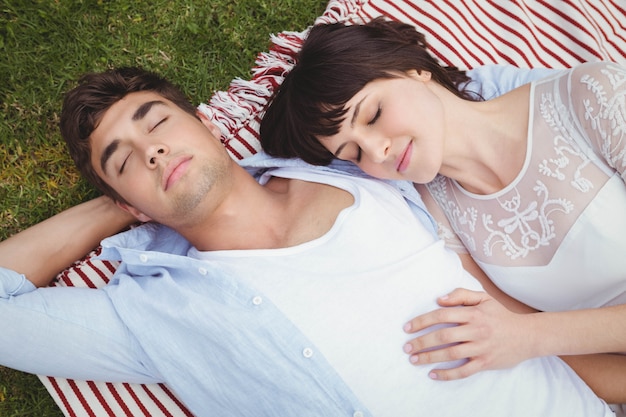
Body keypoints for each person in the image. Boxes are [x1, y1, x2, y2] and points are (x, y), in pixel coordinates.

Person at [0, 67, 615, 417]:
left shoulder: (357, 169)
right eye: (123, 160)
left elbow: (468, 107)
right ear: (128, 201)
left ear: (209, 126)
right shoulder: (151, 313)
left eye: (156, 122)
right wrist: (107, 214)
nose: (151, 148)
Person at [259, 16, 626, 397]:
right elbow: (560, 360)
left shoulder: (592, 97)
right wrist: (527, 338)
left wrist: (532, 335)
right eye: (351, 152)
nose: (375, 150)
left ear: (416, 69)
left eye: (372, 115)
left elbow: (525, 337)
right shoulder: (438, 220)